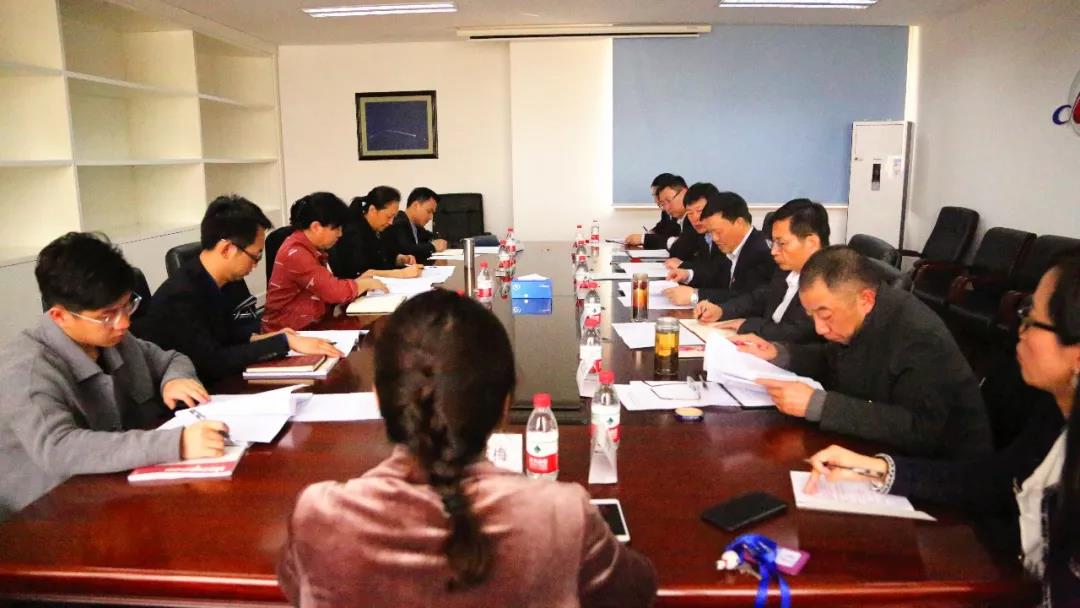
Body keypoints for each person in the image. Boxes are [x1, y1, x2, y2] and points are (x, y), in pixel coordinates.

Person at [278, 290, 657, 607]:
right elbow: (637, 592)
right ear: (505, 405)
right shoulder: (561, 515)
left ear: (378, 397)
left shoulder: (320, 515)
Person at [803, 252, 1080, 605]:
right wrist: (879, 469)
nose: (1018, 331)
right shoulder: (1055, 409)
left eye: (1032, 319)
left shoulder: (916, 332)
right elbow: (994, 479)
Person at [0, 233, 228, 521]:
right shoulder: (27, 370)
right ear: (60, 316)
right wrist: (177, 443)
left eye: (127, 305)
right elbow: (59, 448)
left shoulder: (110, 338)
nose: (124, 323)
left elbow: (171, 359)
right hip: (49, 515)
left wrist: (174, 379)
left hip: (118, 489)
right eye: (107, 315)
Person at [735, 245, 993, 459]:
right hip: (877, 451)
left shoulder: (919, 337)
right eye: (812, 316)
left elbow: (920, 428)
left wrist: (821, 406)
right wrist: (778, 353)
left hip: (943, 472)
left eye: (825, 315)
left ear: (865, 299)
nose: (819, 328)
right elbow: (831, 359)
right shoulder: (858, 318)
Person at [134, 196, 343, 384]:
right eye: (255, 256)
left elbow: (227, 332)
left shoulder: (224, 280)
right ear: (227, 249)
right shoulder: (180, 296)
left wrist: (265, 338)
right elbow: (213, 361)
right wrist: (283, 342)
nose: (256, 265)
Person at [693, 198, 830, 343]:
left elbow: (799, 333)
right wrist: (722, 310)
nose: (774, 251)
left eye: (781, 243)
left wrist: (749, 325)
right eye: (773, 243)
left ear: (811, 243)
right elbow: (760, 297)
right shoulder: (787, 269)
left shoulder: (829, 280)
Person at [263, 193, 387, 332]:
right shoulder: (296, 252)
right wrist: (363, 284)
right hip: (290, 332)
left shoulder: (311, 247)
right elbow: (333, 292)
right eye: (337, 229)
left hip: (315, 323)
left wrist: (359, 283)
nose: (340, 234)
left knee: (371, 322)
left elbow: (327, 286)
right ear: (316, 227)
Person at [663, 185, 776, 306]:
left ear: (739, 223)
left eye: (718, 232)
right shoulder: (736, 247)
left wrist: (695, 295)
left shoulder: (760, 252)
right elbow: (716, 273)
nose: (715, 238)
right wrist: (688, 275)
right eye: (711, 232)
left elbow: (746, 297)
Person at [329, 186, 424, 280]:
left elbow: (383, 257)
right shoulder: (352, 233)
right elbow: (361, 273)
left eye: (394, 217)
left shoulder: (381, 229)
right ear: (372, 210)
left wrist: (400, 259)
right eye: (388, 217)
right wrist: (401, 273)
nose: (391, 222)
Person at [386, 187, 448, 264]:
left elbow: (430, 237)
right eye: (429, 211)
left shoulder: (416, 226)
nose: (431, 217)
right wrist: (433, 246)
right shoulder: (399, 222)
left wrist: (438, 242)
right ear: (416, 205)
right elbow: (406, 250)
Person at [624, 172, 679, 246]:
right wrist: (650, 233)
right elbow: (661, 227)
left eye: (657, 195)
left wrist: (643, 239)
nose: (656, 201)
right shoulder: (665, 211)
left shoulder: (683, 212)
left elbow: (672, 239)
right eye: (654, 196)